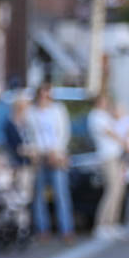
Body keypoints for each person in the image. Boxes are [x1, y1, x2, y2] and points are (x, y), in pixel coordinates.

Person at [26, 82, 74, 242]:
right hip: (40, 155)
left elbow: (64, 132)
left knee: (61, 194)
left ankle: (66, 229)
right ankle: (42, 229)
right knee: (39, 195)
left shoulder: (58, 109)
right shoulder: (32, 112)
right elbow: (30, 135)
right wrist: (38, 151)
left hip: (56, 156)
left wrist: (57, 151)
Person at [89, 92, 128, 238]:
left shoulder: (105, 115)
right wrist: (123, 142)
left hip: (116, 155)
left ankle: (113, 222)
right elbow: (110, 132)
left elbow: (120, 121)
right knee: (112, 190)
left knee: (119, 190)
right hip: (107, 156)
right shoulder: (95, 116)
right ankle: (101, 224)